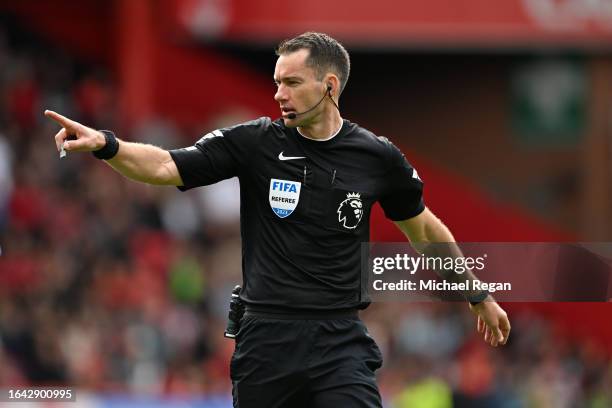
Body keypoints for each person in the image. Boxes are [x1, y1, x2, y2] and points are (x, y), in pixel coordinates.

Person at [46, 32, 510, 408]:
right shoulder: (255, 143)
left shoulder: (376, 156)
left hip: (339, 339)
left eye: (291, 83)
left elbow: (425, 230)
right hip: (266, 340)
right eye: (275, 82)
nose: (278, 94)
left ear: (329, 86)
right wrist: (108, 144)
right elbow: (166, 165)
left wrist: (477, 293)